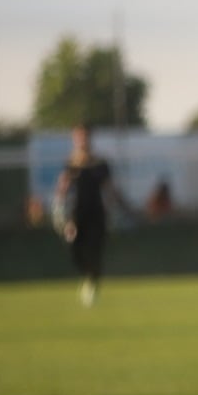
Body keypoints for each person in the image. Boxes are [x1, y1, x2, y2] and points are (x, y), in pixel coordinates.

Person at [54, 124, 131, 307]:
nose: (81, 141)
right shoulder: (70, 164)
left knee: (95, 251)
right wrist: (59, 207)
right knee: (76, 250)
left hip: (97, 214)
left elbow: (110, 189)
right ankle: (87, 277)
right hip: (76, 216)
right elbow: (63, 189)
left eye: (84, 137)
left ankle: (92, 283)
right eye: (78, 137)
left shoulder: (100, 164)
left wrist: (123, 206)